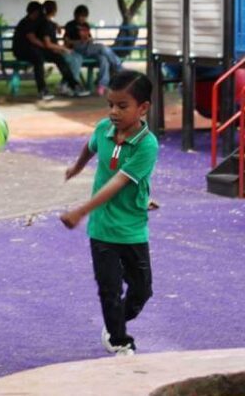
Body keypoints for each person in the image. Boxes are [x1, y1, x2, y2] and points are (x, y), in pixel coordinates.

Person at [60, 70, 158, 357]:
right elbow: (89, 148)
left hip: (131, 229)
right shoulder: (103, 129)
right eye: (110, 105)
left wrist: (80, 210)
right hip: (102, 228)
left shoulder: (146, 145)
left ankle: (116, 322)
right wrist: (77, 167)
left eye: (122, 106)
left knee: (142, 291)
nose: (114, 112)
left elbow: (117, 183)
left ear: (143, 108)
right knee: (109, 289)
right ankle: (119, 340)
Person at [64, 4, 123, 96]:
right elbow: (67, 42)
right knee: (102, 48)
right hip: (77, 48)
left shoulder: (86, 25)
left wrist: (89, 40)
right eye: (81, 16)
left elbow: (89, 38)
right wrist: (79, 41)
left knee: (103, 59)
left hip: (88, 48)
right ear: (76, 15)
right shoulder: (70, 25)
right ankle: (118, 65)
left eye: (84, 17)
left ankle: (102, 85)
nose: (83, 19)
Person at [37, 0, 89, 98]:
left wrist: (56, 25)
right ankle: (72, 86)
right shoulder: (45, 24)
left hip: (55, 50)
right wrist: (63, 48)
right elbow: (48, 44)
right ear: (54, 11)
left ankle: (65, 85)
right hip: (50, 52)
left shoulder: (48, 23)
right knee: (73, 59)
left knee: (78, 57)